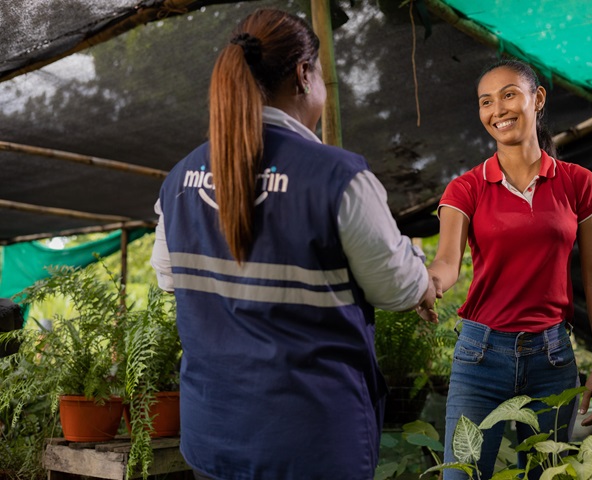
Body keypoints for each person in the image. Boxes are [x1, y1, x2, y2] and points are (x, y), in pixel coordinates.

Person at [150, 8, 438, 480]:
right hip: (312, 445)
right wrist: (422, 274)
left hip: (213, 440)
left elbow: (168, 276)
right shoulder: (338, 177)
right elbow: (399, 289)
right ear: (304, 76)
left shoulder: (180, 179)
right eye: (321, 73)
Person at [418, 59, 592, 479]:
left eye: (509, 94)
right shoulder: (466, 187)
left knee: (547, 474)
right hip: (479, 358)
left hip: (553, 359)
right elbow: (447, 263)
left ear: (537, 98)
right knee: (461, 475)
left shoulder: (578, 182)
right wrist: (428, 284)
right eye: (485, 102)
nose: (497, 110)